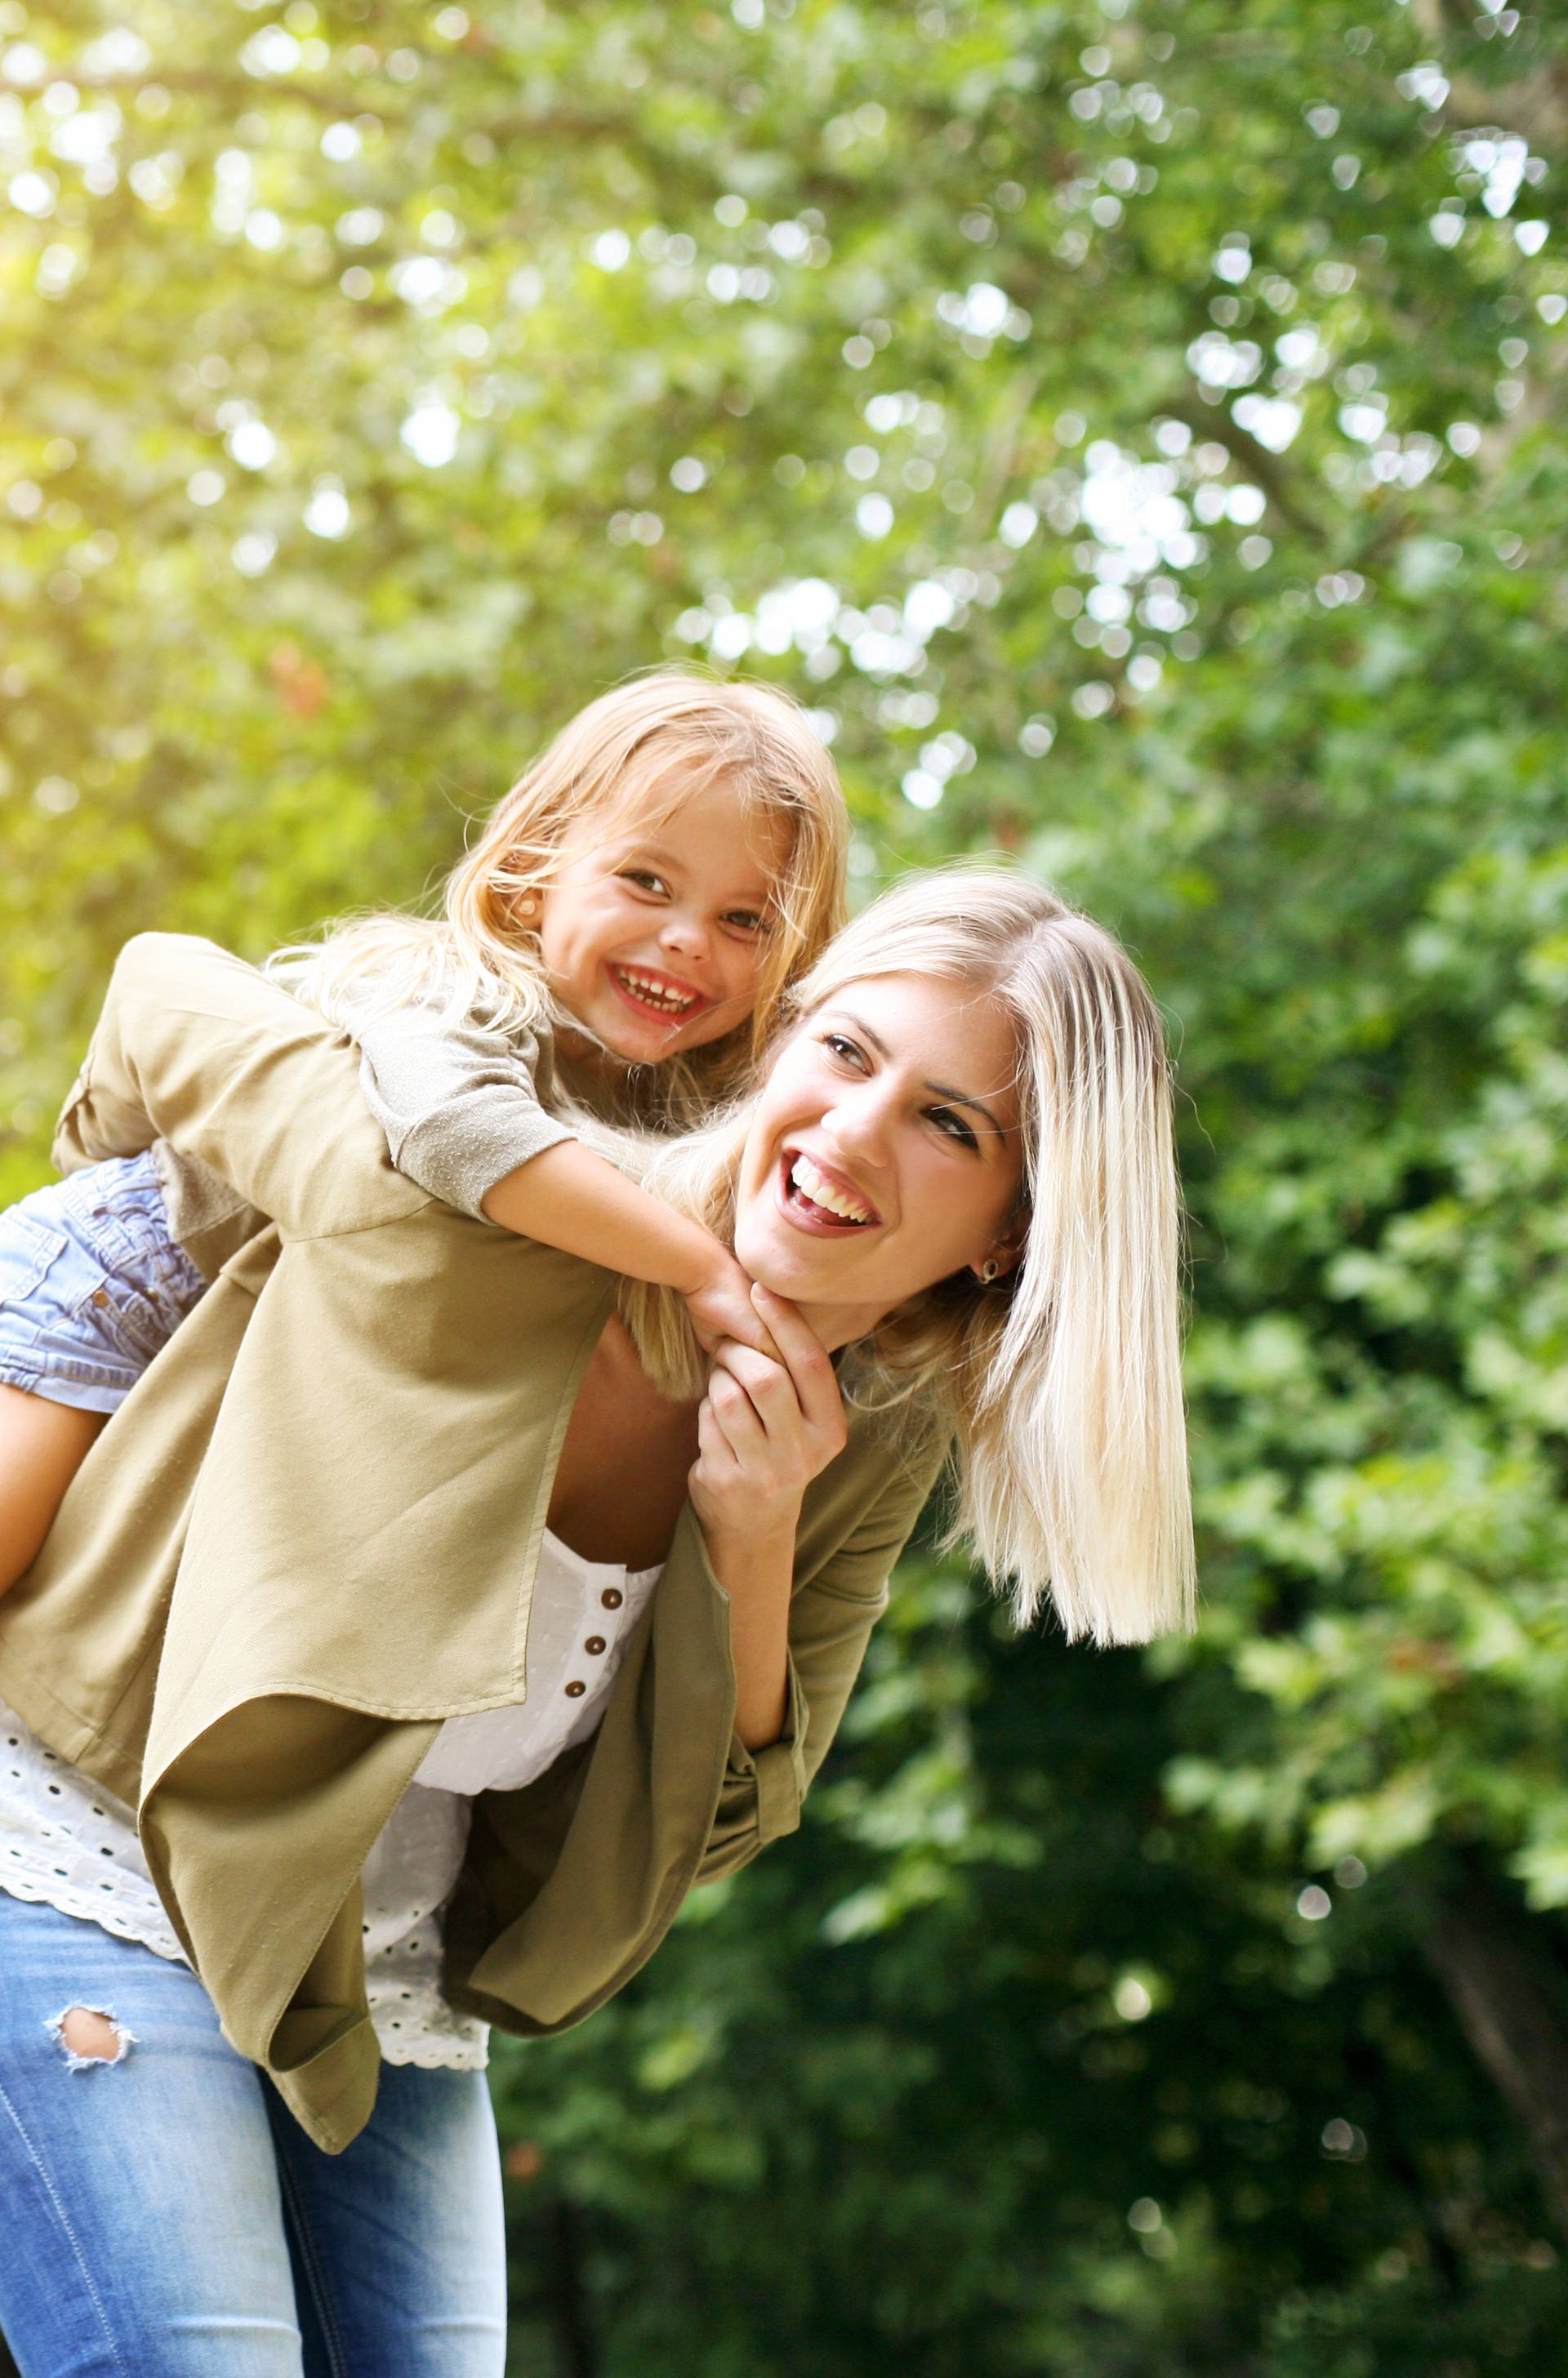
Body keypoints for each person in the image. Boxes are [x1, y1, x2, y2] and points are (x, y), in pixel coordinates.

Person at [0, 869, 1194, 2377]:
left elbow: (724, 1823)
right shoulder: (515, 1193)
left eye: (948, 1124)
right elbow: (169, 1005)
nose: (848, 1132)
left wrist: (751, 1544)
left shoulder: (870, 1439)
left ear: (1011, 1234)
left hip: (387, 1984)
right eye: (844, 1052)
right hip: (96, 1847)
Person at [0, 666, 848, 1592]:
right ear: (538, 874)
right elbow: (458, 1131)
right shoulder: (447, 987)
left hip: (259, 1378)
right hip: (120, 1285)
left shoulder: (677, 1115)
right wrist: (699, 1268)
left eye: (744, 920)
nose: (689, 938)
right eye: (646, 880)